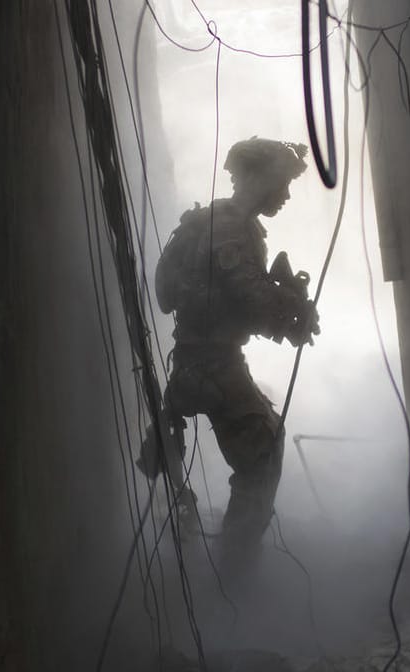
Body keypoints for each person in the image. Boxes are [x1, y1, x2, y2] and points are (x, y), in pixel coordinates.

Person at [153, 136, 319, 576]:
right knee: (263, 454)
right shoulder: (228, 229)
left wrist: (287, 305)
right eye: (280, 183)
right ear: (254, 178)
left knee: (263, 445)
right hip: (212, 366)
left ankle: (229, 565)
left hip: (199, 361)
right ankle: (235, 575)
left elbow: (171, 295)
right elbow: (252, 301)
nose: (284, 195)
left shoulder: (211, 223)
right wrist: (293, 313)